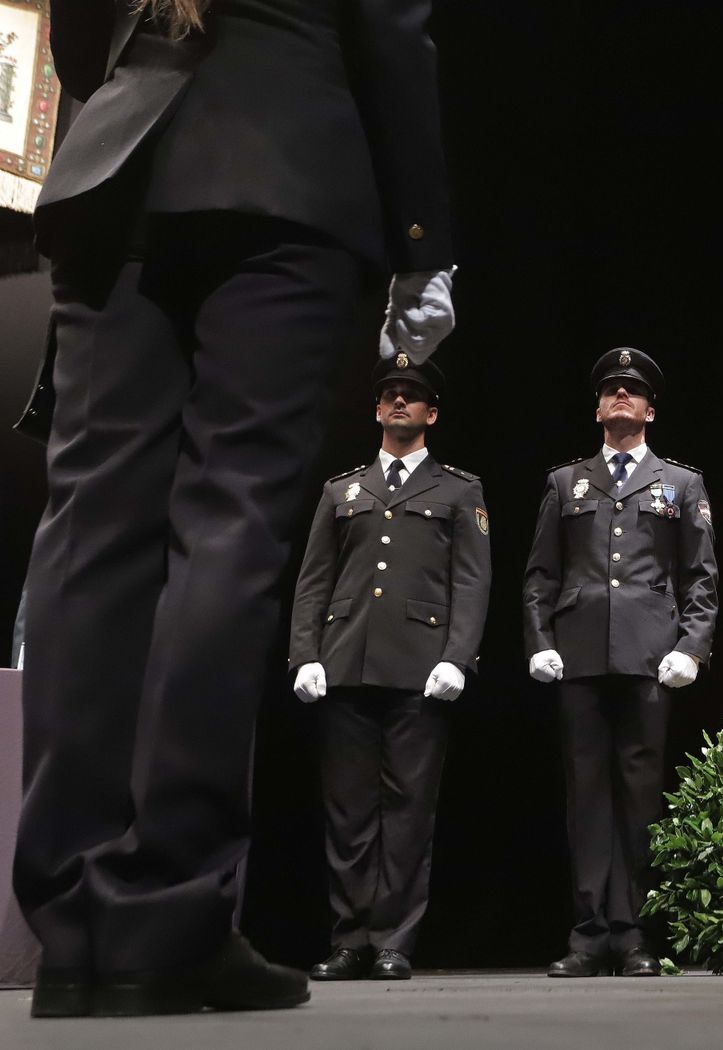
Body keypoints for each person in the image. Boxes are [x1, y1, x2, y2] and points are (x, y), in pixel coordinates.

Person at [13, 0, 454, 1018]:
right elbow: (388, 29)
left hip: (118, 166)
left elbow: (79, 42)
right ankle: (164, 910)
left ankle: (76, 923)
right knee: (229, 527)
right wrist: (425, 239)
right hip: (283, 165)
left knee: (88, 534)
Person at [287, 358, 489, 983]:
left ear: (432, 413)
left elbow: (472, 580)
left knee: (407, 813)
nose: (399, 402)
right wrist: (304, 654)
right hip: (345, 662)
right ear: (377, 410)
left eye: (413, 396)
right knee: (347, 812)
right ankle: (350, 939)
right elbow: (314, 578)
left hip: (420, 668)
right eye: (390, 396)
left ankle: (395, 941)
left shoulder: (459, 490)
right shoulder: (341, 490)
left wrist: (458, 656)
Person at [523, 348, 719, 978]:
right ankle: (587, 935)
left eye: (633, 390)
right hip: (578, 657)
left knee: (639, 798)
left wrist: (690, 647)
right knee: (586, 796)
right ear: (598, 407)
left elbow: (701, 580)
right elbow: (539, 578)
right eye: (610, 389)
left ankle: (634, 934)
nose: (621, 397)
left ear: (651, 409)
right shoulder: (565, 482)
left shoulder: (680, 484)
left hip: (648, 658)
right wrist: (540, 641)